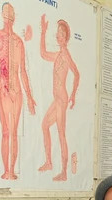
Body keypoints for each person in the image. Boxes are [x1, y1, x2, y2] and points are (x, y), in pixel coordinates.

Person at [0, 2, 36, 181]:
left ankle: (12, 170)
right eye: (6, 11)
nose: (8, 15)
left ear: (13, 16)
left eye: (11, 12)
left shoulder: (19, 41)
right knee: (6, 131)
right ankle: (6, 170)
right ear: (2, 15)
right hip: (2, 88)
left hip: (17, 90)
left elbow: (23, 71)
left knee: (14, 131)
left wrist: (30, 95)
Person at [38, 15, 80, 182]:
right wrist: (43, 32)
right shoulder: (58, 55)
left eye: (61, 34)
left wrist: (74, 94)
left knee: (61, 133)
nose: (57, 36)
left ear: (66, 38)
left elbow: (77, 73)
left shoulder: (66, 55)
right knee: (44, 126)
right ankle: (49, 162)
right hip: (57, 99)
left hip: (62, 99)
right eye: (57, 33)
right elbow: (42, 53)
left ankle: (64, 172)